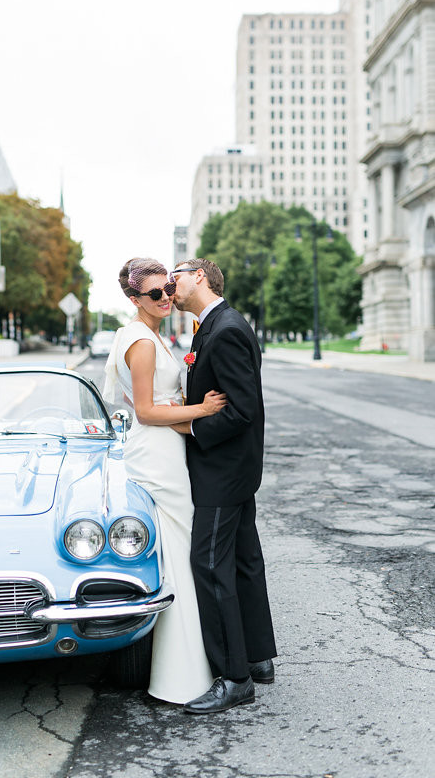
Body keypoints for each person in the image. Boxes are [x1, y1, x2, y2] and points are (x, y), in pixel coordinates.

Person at [103, 257, 226, 705]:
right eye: (156, 293)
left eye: (168, 289)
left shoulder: (147, 334)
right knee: (180, 553)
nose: (166, 297)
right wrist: (202, 411)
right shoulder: (141, 341)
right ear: (135, 299)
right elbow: (146, 411)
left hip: (164, 448)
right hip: (157, 453)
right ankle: (184, 673)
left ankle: (193, 661)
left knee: (179, 551)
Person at [170, 257, 277, 714]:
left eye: (176, 276)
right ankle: (257, 658)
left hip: (223, 469)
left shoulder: (227, 328)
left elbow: (242, 409)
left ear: (199, 277)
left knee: (210, 565)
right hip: (233, 469)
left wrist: (190, 428)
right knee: (245, 560)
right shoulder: (209, 325)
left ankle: (234, 678)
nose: (169, 286)